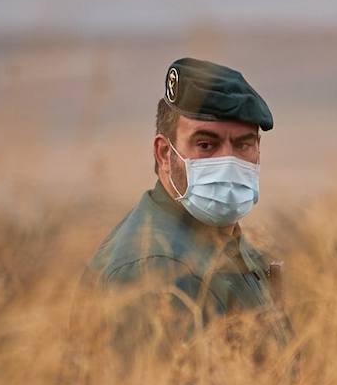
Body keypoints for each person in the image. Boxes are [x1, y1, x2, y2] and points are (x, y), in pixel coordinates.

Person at [85, 57, 292, 359]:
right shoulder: (156, 268)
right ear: (165, 153)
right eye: (206, 145)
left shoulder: (230, 243)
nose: (228, 162)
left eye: (243, 144)